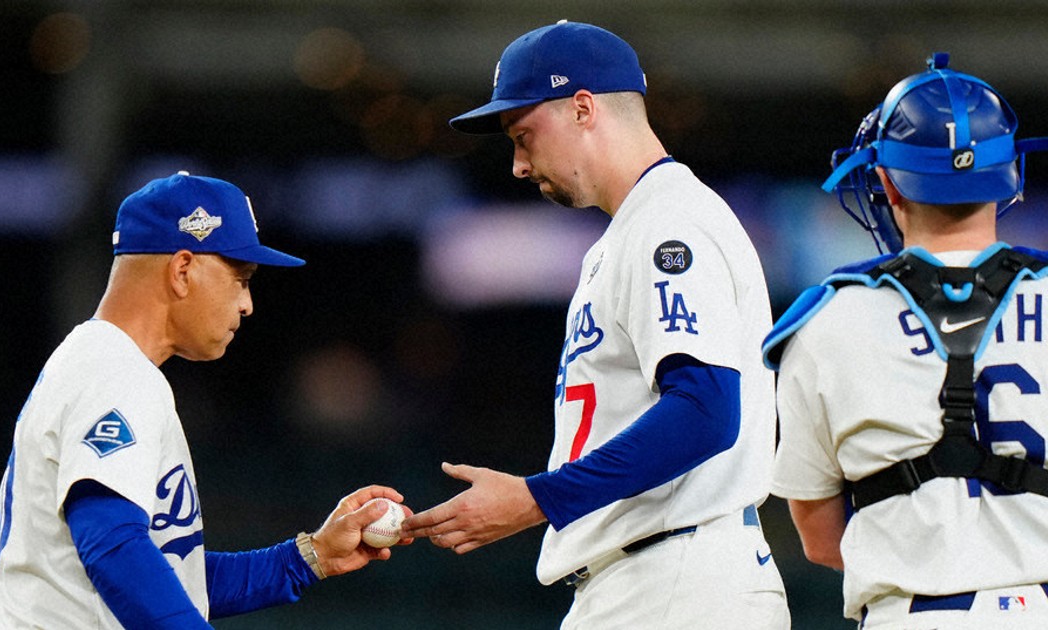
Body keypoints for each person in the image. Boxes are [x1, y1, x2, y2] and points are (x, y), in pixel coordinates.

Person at [401, 20, 789, 628]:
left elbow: (706, 410)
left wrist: (536, 499)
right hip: (648, 578)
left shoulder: (670, 223)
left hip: (678, 577)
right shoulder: (633, 229)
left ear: (583, 108)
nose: (518, 166)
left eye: (524, 135)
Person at [0, 171, 411, 628]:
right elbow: (110, 543)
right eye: (240, 278)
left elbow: (168, 574)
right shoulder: (115, 371)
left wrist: (310, 556)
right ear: (183, 270)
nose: (247, 304)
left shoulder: (99, 362)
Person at [765, 52, 1048, 629]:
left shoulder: (826, 321)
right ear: (1011, 174)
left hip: (914, 615)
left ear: (887, 182)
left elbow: (820, 540)